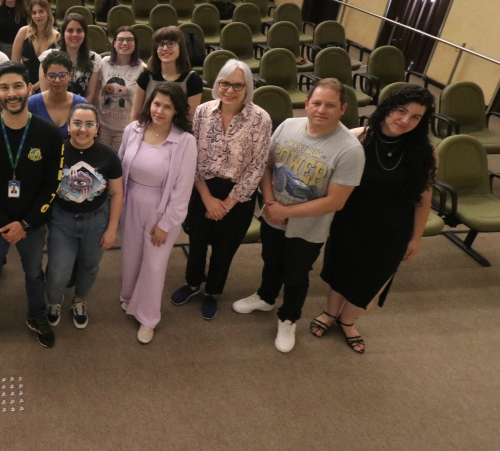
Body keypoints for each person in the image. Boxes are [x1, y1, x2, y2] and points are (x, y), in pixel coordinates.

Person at [232, 78, 365, 354]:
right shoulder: (287, 127)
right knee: (270, 260)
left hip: (308, 229)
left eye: (330, 105)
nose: (321, 110)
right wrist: (269, 201)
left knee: (296, 275)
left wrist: (286, 212)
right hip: (272, 214)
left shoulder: (350, 150)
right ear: (306, 104)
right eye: (316, 103)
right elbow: (266, 167)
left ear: (342, 108)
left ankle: (288, 318)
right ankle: (266, 297)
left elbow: (336, 201)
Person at [313, 85, 436, 353]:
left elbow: (424, 200)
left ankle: (348, 321)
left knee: (372, 278)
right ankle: (329, 314)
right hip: (350, 222)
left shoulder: (425, 152)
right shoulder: (357, 138)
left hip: (393, 229)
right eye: (401, 111)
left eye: (416, 117)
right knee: (340, 272)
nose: (405, 120)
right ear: (387, 108)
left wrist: (416, 238)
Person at [0, 61, 63, 353]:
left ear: (29, 88)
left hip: (31, 224)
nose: (12, 93)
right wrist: (3, 224)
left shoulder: (49, 134)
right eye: (5, 87)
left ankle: (36, 316)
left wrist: (27, 223)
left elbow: (52, 185)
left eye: (17, 86)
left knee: (34, 273)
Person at [170, 60, 272, 320]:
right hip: (202, 188)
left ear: (247, 87)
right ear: (217, 84)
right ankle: (193, 284)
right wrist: (207, 198)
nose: (230, 90)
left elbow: (258, 166)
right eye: (225, 83)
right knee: (197, 242)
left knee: (224, 250)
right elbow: (190, 157)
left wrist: (226, 204)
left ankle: (212, 292)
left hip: (237, 196)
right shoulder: (203, 111)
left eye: (238, 85)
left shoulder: (261, 119)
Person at [119, 83, 197, 344]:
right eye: (156, 103)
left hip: (161, 209)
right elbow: (119, 168)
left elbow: (183, 188)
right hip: (131, 202)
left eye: (167, 106)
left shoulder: (185, 141)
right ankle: (129, 297)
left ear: (177, 111)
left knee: (154, 265)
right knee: (131, 255)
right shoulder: (133, 130)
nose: (159, 110)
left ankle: (148, 317)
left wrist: (166, 223)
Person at [45, 103, 123, 329]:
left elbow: (117, 193)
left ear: (97, 128)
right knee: (58, 271)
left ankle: (80, 300)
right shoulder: (56, 151)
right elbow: (46, 191)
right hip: (62, 221)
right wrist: (48, 227)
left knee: (89, 266)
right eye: (77, 123)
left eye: (89, 124)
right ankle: (53, 301)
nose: (82, 129)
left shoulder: (108, 156)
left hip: (96, 222)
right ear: (68, 126)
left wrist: (111, 229)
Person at [129, 26, 202, 122]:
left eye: (171, 43)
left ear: (181, 47)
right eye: (160, 44)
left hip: (179, 134)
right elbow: (135, 115)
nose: (165, 48)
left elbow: (191, 119)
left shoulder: (193, 79)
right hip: (147, 132)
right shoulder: (145, 76)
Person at [97, 26, 146, 151]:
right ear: (114, 43)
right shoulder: (104, 63)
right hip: (102, 126)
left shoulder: (142, 69)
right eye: (120, 40)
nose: (125, 43)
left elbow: (143, 102)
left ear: (135, 44)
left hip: (125, 129)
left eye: (129, 40)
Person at [37, 13, 101, 100]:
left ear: (85, 34)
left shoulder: (95, 59)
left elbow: (90, 95)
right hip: (53, 110)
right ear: (63, 33)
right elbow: (44, 93)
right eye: (70, 31)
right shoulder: (47, 57)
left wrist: (78, 113)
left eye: (79, 31)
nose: (75, 34)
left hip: (82, 110)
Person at [27, 50, 88, 138]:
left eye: (63, 75)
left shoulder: (81, 104)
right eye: (52, 75)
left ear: (70, 76)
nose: (57, 80)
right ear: (45, 77)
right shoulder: (32, 104)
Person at [11, 0, 59, 86]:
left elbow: (57, 70)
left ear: (48, 12)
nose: (37, 16)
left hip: (48, 85)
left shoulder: (57, 37)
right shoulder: (23, 32)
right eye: (34, 13)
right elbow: (14, 64)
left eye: (41, 11)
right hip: (24, 83)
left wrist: (35, 87)